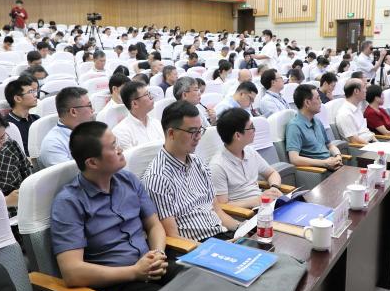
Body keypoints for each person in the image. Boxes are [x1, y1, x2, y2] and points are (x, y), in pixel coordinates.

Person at [51, 121, 179, 291]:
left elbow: (154, 225)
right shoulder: (69, 202)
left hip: (150, 266)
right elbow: (72, 272)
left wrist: (157, 254)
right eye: (112, 147)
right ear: (93, 163)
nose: (120, 150)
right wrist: (135, 272)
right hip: (117, 284)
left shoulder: (128, 180)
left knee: (203, 284)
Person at [141, 101, 242, 241]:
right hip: (195, 246)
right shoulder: (158, 178)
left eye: (200, 130)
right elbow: (172, 237)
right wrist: (222, 247)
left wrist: (242, 229)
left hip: (221, 235)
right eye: (193, 132)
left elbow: (218, 211)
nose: (198, 137)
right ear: (171, 133)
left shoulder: (198, 162)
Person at [210, 108, 283, 208]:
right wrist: (258, 201)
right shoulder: (217, 166)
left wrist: (274, 188)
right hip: (245, 213)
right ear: (238, 135)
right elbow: (222, 206)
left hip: (264, 205)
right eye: (251, 127)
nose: (254, 130)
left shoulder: (249, 151)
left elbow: (272, 173)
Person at [286, 84, 343, 171]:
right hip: (318, 171)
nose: (321, 101)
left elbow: (330, 145)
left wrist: (338, 156)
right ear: (307, 103)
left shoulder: (317, 121)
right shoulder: (294, 126)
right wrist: (325, 163)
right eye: (318, 98)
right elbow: (294, 159)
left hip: (331, 165)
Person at [39, 87, 94, 168]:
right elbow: (73, 174)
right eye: (89, 106)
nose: (93, 110)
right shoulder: (53, 144)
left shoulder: (91, 131)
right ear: (73, 112)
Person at [114, 81, 164, 151]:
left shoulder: (156, 123)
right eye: (146, 94)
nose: (151, 97)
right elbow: (129, 158)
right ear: (135, 104)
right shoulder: (121, 132)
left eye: (149, 93)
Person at [4, 76, 40, 156]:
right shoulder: (7, 125)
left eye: (34, 91)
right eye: (30, 92)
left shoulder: (37, 119)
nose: (35, 95)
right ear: (18, 99)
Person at [335, 79, 376, 146]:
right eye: (364, 87)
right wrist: (374, 147)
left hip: (370, 143)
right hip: (362, 148)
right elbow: (354, 140)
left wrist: (378, 143)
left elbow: (366, 132)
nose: (366, 90)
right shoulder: (345, 114)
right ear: (356, 91)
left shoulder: (357, 108)